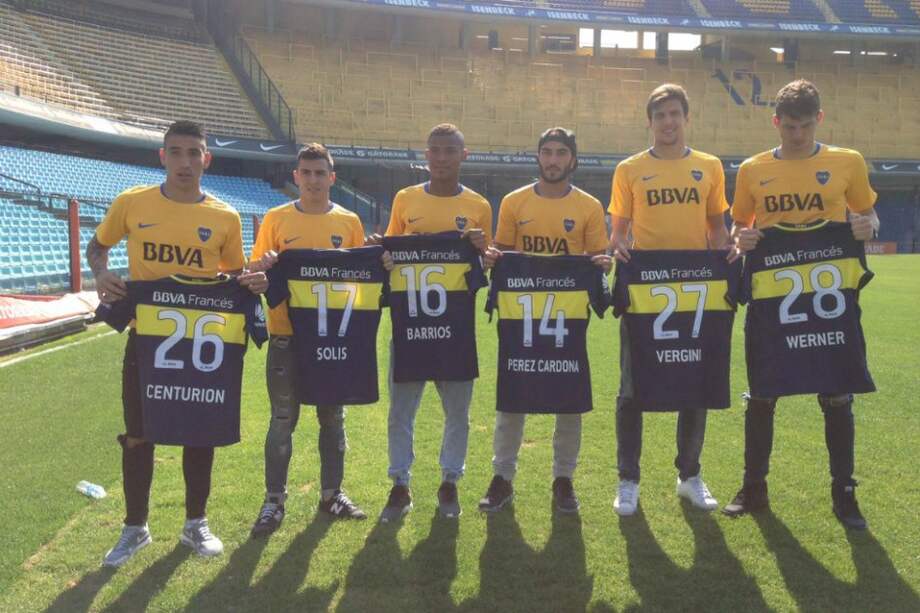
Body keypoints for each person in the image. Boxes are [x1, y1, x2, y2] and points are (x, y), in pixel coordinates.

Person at [87, 120, 268, 566]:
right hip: (145, 338)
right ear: (162, 156)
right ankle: (135, 527)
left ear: (207, 159)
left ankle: (195, 524)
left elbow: (232, 278)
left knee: (199, 432)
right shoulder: (132, 203)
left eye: (194, 153)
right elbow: (97, 246)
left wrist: (254, 280)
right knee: (138, 434)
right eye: (176, 152)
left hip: (201, 345)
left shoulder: (224, 217)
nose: (185, 162)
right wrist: (99, 273)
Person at [723, 79, 879, 529]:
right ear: (776, 122)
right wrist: (744, 237)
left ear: (819, 120)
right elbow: (739, 231)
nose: (797, 135)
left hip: (829, 300)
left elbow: (869, 215)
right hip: (772, 301)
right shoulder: (752, 169)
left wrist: (866, 226)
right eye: (789, 126)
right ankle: (754, 488)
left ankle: (844, 492)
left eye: (805, 126)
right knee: (763, 396)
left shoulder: (847, 162)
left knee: (836, 394)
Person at [248, 143, 393, 536]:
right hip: (287, 336)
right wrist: (262, 268)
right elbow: (257, 274)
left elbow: (357, 278)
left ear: (332, 178)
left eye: (320, 173)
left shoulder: (348, 223)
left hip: (334, 338)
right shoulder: (276, 220)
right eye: (305, 173)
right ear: (296, 177)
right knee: (282, 421)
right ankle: (273, 500)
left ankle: (332, 493)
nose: (312, 180)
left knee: (333, 419)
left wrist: (380, 263)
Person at [607, 84, 731, 516]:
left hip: (697, 288)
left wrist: (727, 260)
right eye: (660, 116)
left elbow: (717, 229)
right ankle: (628, 479)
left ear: (686, 117)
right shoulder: (629, 169)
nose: (668, 122)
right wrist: (618, 246)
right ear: (650, 122)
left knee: (695, 378)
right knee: (632, 385)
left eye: (675, 114)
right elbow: (618, 231)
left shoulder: (709, 166)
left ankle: (689, 475)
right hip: (647, 289)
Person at [478, 127, 612, 514]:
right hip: (520, 317)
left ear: (573, 158)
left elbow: (596, 265)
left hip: (567, 319)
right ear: (538, 157)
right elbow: (502, 253)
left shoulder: (588, 207)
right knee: (512, 398)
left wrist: (601, 266)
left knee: (568, 402)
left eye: (561, 153)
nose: (553, 160)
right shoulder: (514, 202)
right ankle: (502, 478)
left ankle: (563, 481)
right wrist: (492, 258)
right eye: (547, 152)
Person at [379, 123, 492, 522]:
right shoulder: (405, 199)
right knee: (400, 412)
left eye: (450, 150)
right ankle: (400, 485)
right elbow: (387, 253)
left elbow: (485, 267)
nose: (441, 157)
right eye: (435, 150)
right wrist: (384, 256)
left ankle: (449, 482)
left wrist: (483, 251)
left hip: (455, 331)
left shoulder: (478, 206)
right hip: (409, 328)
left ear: (464, 155)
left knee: (458, 413)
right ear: (425, 156)